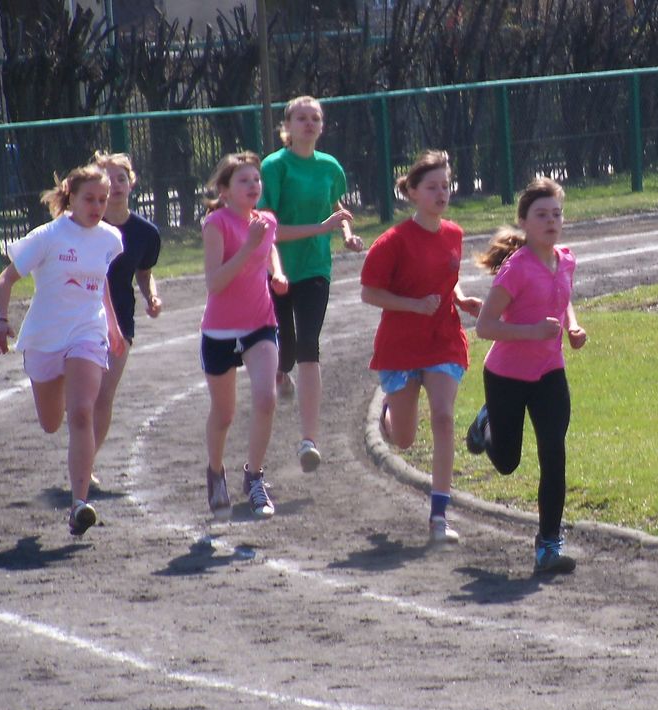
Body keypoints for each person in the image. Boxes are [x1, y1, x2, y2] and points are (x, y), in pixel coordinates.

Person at [200, 152, 351, 521]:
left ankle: (254, 477)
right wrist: (249, 247)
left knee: (266, 399)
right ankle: (215, 472)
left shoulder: (265, 220)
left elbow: (270, 251)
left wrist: (277, 273)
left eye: (256, 180)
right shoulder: (216, 224)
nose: (254, 186)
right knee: (224, 414)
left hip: (260, 323)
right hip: (220, 329)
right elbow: (215, 283)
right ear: (224, 190)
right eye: (244, 181)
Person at [0, 165, 126, 536]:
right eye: (89, 199)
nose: (97, 206)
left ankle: (79, 504)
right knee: (51, 423)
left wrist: (112, 325)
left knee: (82, 412)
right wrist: (0, 320)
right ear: (71, 196)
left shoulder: (110, 238)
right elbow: (5, 280)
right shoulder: (48, 236)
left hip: (87, 333)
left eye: (102, 200)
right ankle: (64, 377)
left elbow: (99, 282)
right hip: (45, 337)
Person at [466, 177, 587, 574]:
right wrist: (533, 332)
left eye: (557, 214)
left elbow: (563, 299)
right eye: (542, 215)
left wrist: (572, 326)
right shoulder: (515, 269)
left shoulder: (566, 259)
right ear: (523, 221)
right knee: (507, 462)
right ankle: (485, 423)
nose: (551, 221)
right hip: (506, 376)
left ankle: (548, 545)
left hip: (550, 372)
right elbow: (485, 326)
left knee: (554, 453)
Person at [360, 149, 481, 544]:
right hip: (400, 346)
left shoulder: (454, 234)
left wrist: (461, 299)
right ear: (412, 191)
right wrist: (413, 305)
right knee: (405, 439)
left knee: (444, 419)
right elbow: (369, 293)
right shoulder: (392, 242)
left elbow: (448, 279)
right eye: (432, 187)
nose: (441, 193)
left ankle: (438, 517)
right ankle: (387, 416)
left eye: (446, 186)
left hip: (443, 340)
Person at [260, 96, 363, 473]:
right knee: (284, 351)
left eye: (315, 118)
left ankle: (309, 440)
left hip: (316, 268)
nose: (308, 124)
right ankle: (279, 371)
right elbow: (268, 230)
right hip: (276, 270)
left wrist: (346, 234)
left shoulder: (330, 167)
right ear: (287, 126)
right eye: (301, 118)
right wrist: (321, 228)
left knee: (308, 345)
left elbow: (336, 207)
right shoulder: (274, 166)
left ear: (322, 126)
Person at [87, 151, 163, 493]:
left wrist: (151, 297)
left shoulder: (146, 233)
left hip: (120, 318)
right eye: (109, 179)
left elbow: (144, 273)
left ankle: (85, 464)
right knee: (80, 396)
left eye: (121, 178)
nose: (116, 185)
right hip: (80, 316)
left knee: (103, 394)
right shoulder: (86, 225)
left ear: (132, 183)